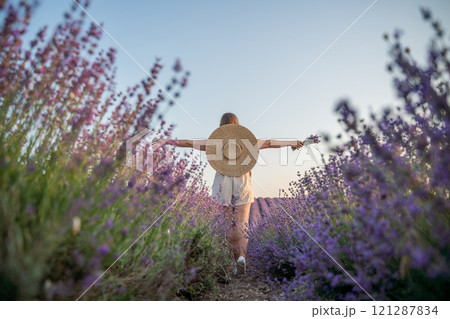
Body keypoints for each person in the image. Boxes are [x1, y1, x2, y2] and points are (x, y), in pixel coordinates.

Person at [167, 113, 303, 275]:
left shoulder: (215, 142)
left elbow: (188, 143)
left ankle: (234, 259)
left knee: (228, 224)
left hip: (222, 184)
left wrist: (167, 141)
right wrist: (292, 142)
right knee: (242, 223)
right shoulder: (247, 141)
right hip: (242, 183)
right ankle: (242, 259)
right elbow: (270, 142)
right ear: (237, 125)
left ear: (221, 125)